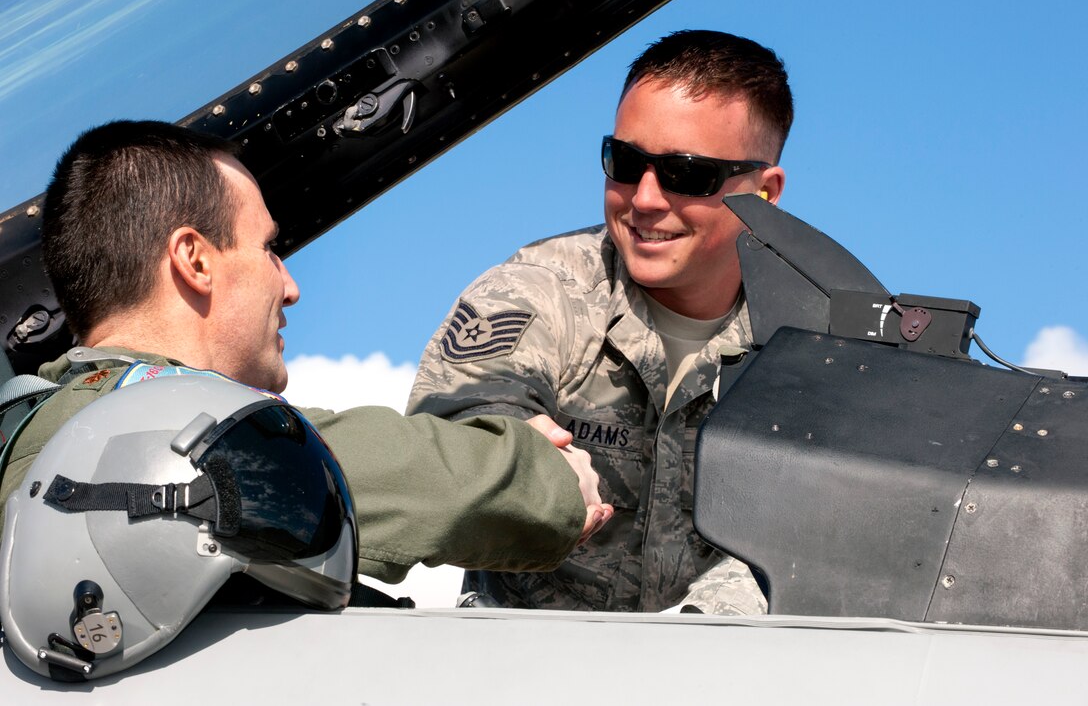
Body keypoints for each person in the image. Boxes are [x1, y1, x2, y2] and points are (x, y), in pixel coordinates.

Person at [0, 120, 615, 587]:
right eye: (268, 249)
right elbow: (414, 477)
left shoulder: (32, 431)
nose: (289, 284)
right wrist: (551, 479)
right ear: (194, 260)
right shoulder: (159, 437)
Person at [408, 30, 793, 612]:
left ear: (764, 193)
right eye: (626, 161)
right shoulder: (538, 292)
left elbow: (834, 528)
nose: (643, 200)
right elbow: (456, 432)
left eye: (686, 173)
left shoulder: (817, 342)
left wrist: (706, 635)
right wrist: (514, 457)